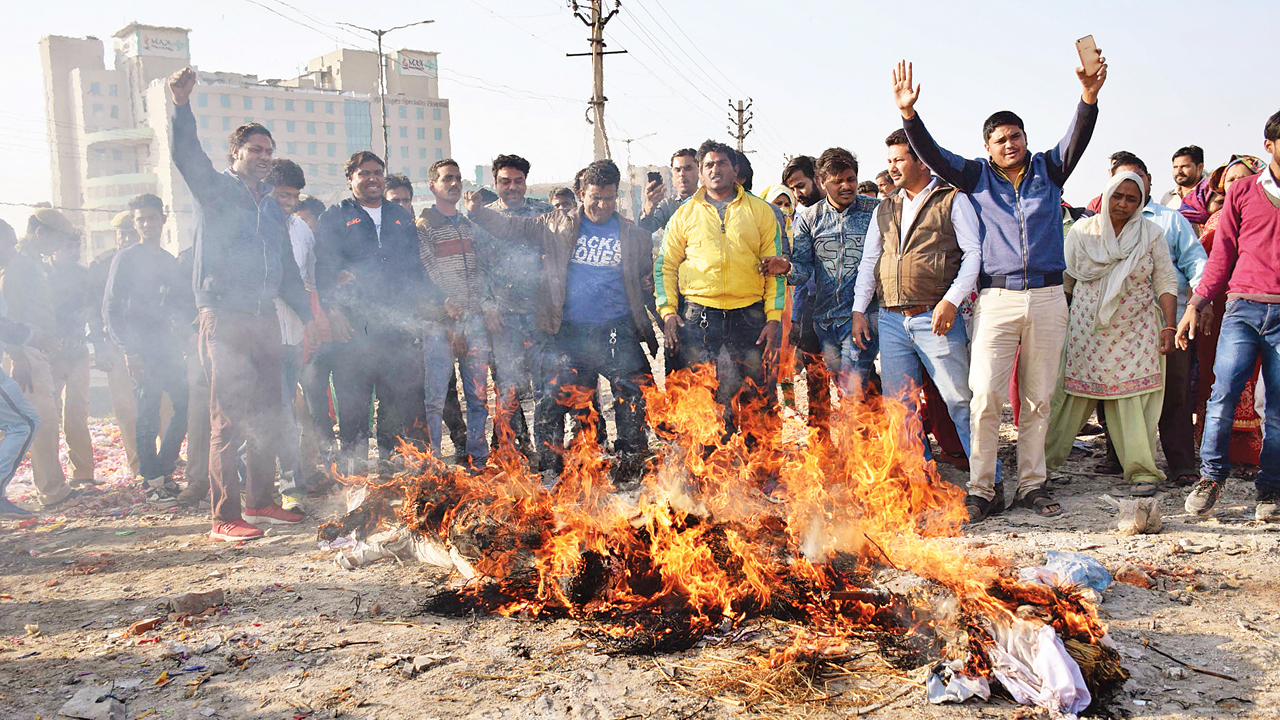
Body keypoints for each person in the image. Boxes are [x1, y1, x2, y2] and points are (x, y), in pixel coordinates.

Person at [894, 52, 1107, 520]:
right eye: (999, 139)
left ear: (1026, 138)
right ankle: (983, 488)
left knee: (1037, 398)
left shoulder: (1050, 169)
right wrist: (909, 115)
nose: (1008, 144)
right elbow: (932, 155)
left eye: (1014, 136)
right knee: (986, 396)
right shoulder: (975, 177)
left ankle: (1032, 485)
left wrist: (1088, 95)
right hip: (995, 298)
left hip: (1050, 298)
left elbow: (1079, 136)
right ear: (987, 148)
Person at [168, 67, 312, 541]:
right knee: (227, 416)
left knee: (271, 409)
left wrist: (309, 318)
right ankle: (224, 516)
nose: (264, 157)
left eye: (269, 151)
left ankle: (261, 501)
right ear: (236, 153)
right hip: (223, 315)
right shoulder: (216, 190)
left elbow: (288, 269)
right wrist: (181, 106)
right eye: (255, 150)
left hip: (263, 316)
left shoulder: (271, 205)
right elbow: (186, 156)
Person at [467, 159, 657, 483]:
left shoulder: (633, 236)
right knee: (553, 401)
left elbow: (643, 282)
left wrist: (662, 317)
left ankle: (629, 465)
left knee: (636, 393)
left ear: (617, 196)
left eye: (609, 198)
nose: (601, 205)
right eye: (595, 197)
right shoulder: (555, 223)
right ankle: (552, 471)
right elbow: (512, 228)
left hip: (615, 330)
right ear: (582, 193)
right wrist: (478, 213)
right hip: (566, 331)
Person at [851, 129, 981, 477]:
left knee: (959, 403)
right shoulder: (886, 206)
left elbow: (973, 255)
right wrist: (859, 310)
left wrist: (951, 301)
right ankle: (919, 478)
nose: (892, 167)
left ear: (921, 159)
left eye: (899, 159)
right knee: (900, 407)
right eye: (889, 160)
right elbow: (869, 260)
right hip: (892, 321)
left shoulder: (952, 199)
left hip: (935, 319)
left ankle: (987, 479)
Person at [1176, 110, 1280, 521]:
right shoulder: (1242, 192)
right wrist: (1195, 305)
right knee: (1221, 395)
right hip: (1242, 307)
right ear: (1269, 145)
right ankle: (1211, 477)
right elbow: (1222, 256)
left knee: (1277, 407)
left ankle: (1270, 490)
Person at [1046, 171, 1178, 489]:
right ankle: (1038, 466)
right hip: (1086, 330)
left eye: (1132, 198)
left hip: (1136, 329)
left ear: (1141, 202)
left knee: (1132, 400)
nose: (1123, 203)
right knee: (1068, 398)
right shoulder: (1082, 232)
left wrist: (1170, 325)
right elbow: (1065, 283)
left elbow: (1165, 280)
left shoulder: (1150, 234)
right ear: (1106, 196)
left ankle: (1142, 471)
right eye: (1117, 196)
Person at [1083, 152, 1208, 484]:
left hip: (1168, 323)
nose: (1126, 194)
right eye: (1120, 184)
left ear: (1148, 181)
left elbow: (1197, 264)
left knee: (1174, 395)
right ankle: (1118, 457)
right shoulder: (1097, 225)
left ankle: (1182, 465)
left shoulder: (1169, 220)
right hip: (1118, 327)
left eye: (1136, 181)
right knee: (1115, 393)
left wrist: (1198, 304)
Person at [314, 151, 432, 477]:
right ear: (350, 178)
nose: (372, 179)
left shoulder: (400, 216)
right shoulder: (334, 217)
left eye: (377, 172)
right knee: (353, 406)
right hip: (353, 331)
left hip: (394, 329)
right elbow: (322, 270)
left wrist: (427, 308)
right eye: (363, 173)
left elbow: (415, 270)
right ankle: (354, 478)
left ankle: (388, 473)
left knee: (394, 405)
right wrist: (334, 311)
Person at [656, 140, 784, 436]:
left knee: (757, 395)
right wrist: (668, 311)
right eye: (709, 165)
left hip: (749, 317)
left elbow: (775, 269)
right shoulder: (684, 215)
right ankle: (710, 467)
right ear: (700, 173)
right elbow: (666, 266)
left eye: (722, 163)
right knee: (703, 396)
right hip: (700, 316)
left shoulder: (762, 212)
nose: (716, 169)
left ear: (735, 168)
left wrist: (774, 317)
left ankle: (762, 469)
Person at [104, 193, 195, 503]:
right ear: (135, 223)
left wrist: (185, 339)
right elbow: (112, 308)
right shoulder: (126, 259)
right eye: (140, 219)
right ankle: (151, 480)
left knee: (185, 406)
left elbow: (179, 305)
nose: (146, 224)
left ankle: (164, 469)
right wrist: (129, 350)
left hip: (167, 347)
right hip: (140, 348)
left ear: (162, 219)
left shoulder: (168, 261)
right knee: (147, 414)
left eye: (151, 218)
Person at [383, 175, 470, 463]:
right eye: (395, 200)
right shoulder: (382, 236)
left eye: (406, 200)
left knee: (445, 392)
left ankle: (460, 444)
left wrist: (444, 316)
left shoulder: (417, 230)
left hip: (434, 322)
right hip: (401, 330)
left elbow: (432, 276)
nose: (402, 205)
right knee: (401, 394)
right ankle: (398, 454)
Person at [1190, 154, 1268, 467]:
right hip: (1218, 307)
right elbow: (1209, 265)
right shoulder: (1217, 219)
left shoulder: (1266, 212)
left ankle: (1252, 451)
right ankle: (1214, 455)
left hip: (1259, 303)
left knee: (1256, 377)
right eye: (1230, 181)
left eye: (1242, 178)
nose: (1236, 185)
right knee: (1218, 376)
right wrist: (1202, 303)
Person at [0, 208, 78, 509]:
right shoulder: (18, 264)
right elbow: (9, 315)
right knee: (37, 420)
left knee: (43, 418)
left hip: (36, 349)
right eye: (56, 239)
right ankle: (51, 490)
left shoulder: (34, 263)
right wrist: (18, 356)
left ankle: (54, 486)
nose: (58, 246)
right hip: (26, 352)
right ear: (40, 233)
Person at [419, 159, 491, 469]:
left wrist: (479, 308)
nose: (454, 183)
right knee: (435, 399)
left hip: (473, 321)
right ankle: (434, 461)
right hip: (440, 324)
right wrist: (444, 303)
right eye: (447, 178)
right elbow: (425, 270)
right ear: (432, 185)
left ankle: (478, 457)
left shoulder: (467, 225)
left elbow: (480, 271)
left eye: (458, 178)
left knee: (478, 396)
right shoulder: (423, 227)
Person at [790, 147, 880, 395]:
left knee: (853, 385)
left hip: (864, 317)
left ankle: (862, 432)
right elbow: (802, 270)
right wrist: (785, 268)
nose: (846, 186)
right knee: (845, 386)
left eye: (851, 179)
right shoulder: (810, 217)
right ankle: (870, 429)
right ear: (822, 182)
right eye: (837, 181)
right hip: (826, 321)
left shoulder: (876, 211)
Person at [481, 154, 554, 459]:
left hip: (539, 316)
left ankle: (548, 452)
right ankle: (515, 451)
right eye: (505, 181)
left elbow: (557, 258)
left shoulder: (543, 213)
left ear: (526, 182)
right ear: (495, 182)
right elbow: (477, 268)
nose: (512, 187)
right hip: (503, 318)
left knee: (545, 388)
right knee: (507, 388)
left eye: (518, 181)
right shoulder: (482, 218)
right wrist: (487, 305)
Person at [266, 159, 318, 509]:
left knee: (287, 409)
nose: (288, 201)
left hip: (293, 333)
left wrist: (311, 324)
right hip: (261, 331)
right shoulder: (255, 226)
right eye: (282, 194)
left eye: (294, 195)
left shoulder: (301, 231)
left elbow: (309, 281)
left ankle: (290, 489)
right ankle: (255, 484)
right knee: (265, 411)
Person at [90, 211, 141, 477]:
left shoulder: (150, 258)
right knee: (126, 407)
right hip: (117, 342)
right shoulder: (102, 265)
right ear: (116, 235)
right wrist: (100, 344)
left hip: (149, 342)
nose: (128, 238)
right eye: (123, 234)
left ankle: (165, 458)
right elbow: (94, 308)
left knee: (163, 405)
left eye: (132, 232)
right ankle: (136, 463)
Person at [781, 155, 831, 431]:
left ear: (819, 179)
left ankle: (864, 441)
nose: (798, 195)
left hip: (848, 307)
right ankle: (821, 436)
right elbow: (800, 275)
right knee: (816, 377)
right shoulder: (802, 219)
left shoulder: (845, 210)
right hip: (813, 306)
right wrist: (798, 319)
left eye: (801, 186)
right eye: (793, 189)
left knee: (856, 378)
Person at [48, 231, 95, 487]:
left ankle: (83, 474)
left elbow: (92, 312)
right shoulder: (43, 275)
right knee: (45, 416)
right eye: (68, 245)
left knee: (77, 413)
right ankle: (51, 480)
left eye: (77, 245)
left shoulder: (82, 275)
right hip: (50, 354)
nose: (74, 251)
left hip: (77, 351)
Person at [759, 185, 800, 408]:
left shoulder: (796, 232)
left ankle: (790, 402)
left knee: (787, 352)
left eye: (787, 204)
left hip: (788, 298)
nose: (783, 209)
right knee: (769, 352)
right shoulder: (761, 227)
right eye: (778, 203)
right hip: (766, 297)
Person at [639, 149, 699, 235]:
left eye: (687, 168)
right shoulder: (668, 205)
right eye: (677, 170)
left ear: (699, 171)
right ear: (672, 175)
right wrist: (649, 206)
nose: (682, 174)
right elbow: (645, 230)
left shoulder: (710, 202)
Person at [1161, 145, 1206, 211]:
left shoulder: (1210, 194)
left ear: (1200, 167)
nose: (1179, 171)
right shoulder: (1168, 198)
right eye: (1175, 167)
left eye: (1184, 166)